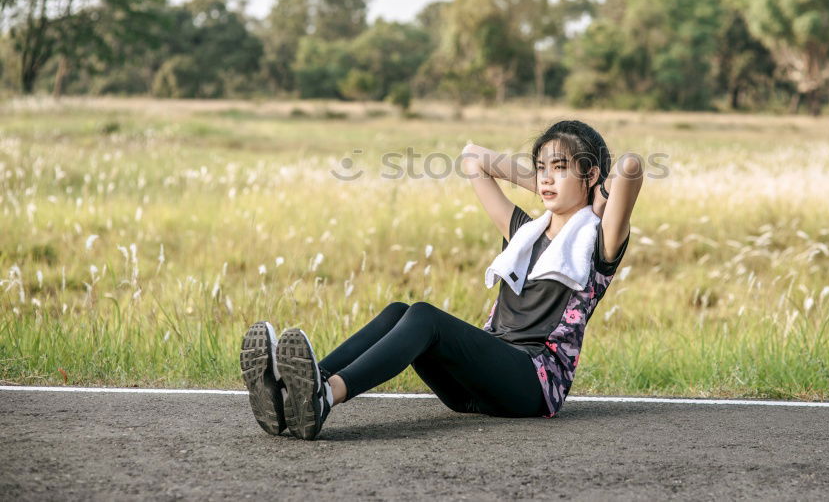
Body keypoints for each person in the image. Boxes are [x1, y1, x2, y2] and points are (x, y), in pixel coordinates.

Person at [239, 119, 644, 439]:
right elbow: (473, 158)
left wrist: (596, 193)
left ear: (590, 175)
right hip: (480, 379)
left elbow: (630, 168)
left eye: (560, 169)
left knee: (426, 317)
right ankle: (296, 395)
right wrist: (544, 183)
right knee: (401, 311)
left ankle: (326, 397)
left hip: (531, 384)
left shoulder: (597, 242)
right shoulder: (524, 231)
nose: (546, 178)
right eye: (541, 168)